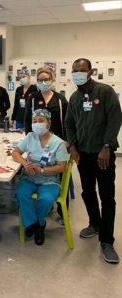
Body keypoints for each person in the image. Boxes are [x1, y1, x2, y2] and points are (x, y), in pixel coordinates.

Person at [65, 58, 122, 264]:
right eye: (74, 71)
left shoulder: (104, 92)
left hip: (102, 154)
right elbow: (69, 123)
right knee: (87, 191)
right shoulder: (74, 97)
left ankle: (106, 241)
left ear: (91, 72)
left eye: (82, 70)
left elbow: (115, 119)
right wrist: (72, 146)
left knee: (107, 195)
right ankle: (94, 223)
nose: (77, 74)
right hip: (83, 154)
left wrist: (107, 145)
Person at [12, 109, 68, 246]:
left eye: (41, 121)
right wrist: (25, 163)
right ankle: (37, 224)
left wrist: (41, 169)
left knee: (46, 199)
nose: (37, 124)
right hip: (30, 177)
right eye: (34, 121)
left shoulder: (58, 143)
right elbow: (16, 153)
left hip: (49, 180)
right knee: (21, 193)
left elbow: (62, 167)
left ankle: (36, 224)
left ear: (48, 123)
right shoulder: (30, 137)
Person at [24, 66, 69, 222]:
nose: (43, 82)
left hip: (58, 142)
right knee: (39, 170)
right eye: (40, 79)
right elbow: (27, 120)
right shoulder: (33, 98)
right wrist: (28, 139)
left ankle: (63, 212)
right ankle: (46, 204)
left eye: (46, 79)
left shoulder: (60, 99)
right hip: (39, 142)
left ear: (52, 80)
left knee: (61, 176)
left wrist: (67, 141)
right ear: (37, 81)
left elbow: (68, 121)